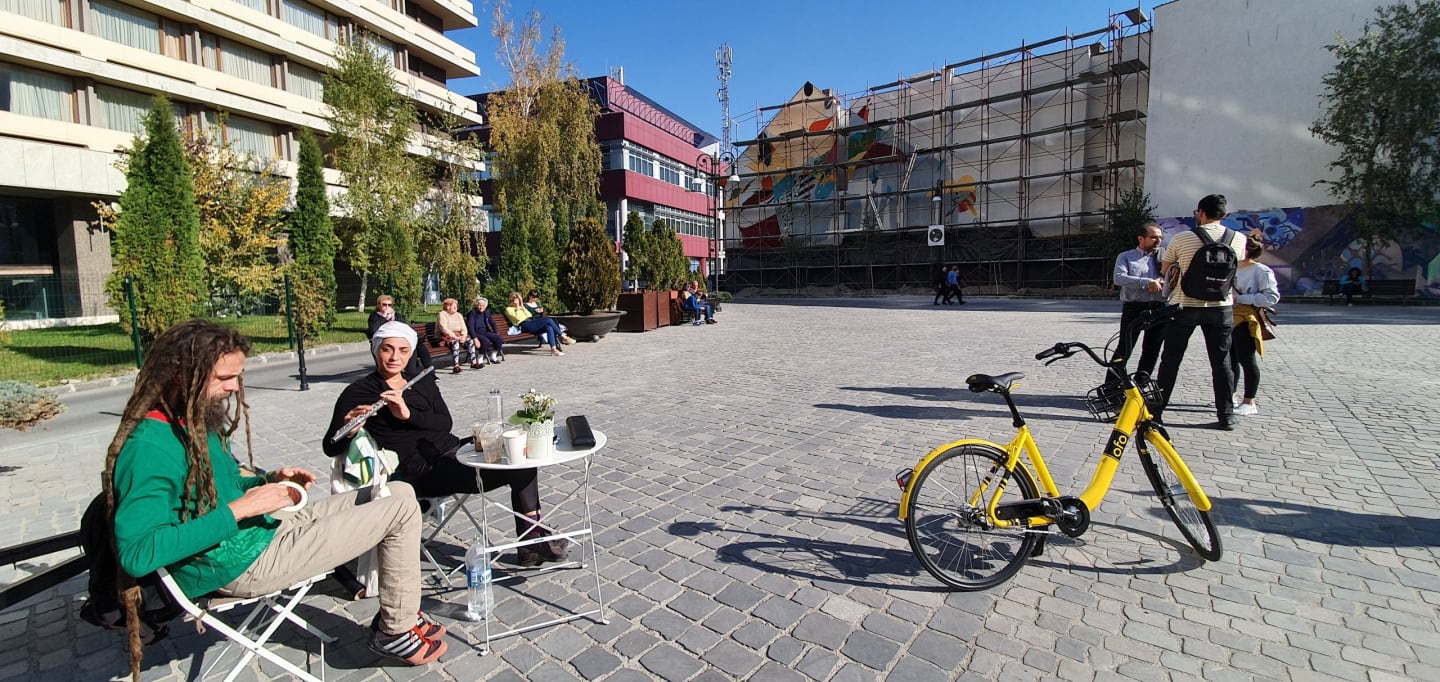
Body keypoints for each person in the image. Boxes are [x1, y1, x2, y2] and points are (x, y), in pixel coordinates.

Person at [106, 320, 446, 676]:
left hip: (262, 531)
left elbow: (214, 489)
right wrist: (242, 508)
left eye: (237, 376)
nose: (234, 387)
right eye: (223, 377)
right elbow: (138, 554)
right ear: (182, 375)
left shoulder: (195, 420)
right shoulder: (149, 446)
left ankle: (402, 609)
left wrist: (266, 481)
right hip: (238, 563)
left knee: (400, 492)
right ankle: (395, 628)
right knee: (399, 512)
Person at [323, 322, 566, 567]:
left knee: (518, 456)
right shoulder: (358, 392)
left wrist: (407, 414)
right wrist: (350, 430)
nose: (395, 357)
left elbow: (444, 423)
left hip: (451, 449)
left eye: (403, 350)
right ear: (376, 350)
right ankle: (532, 539)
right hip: (421, 470)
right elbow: (330, 446)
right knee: (518, 466)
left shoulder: (419, 379)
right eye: (387, 349)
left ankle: (531, 541)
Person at [1154, 194, 1247, 430]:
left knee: (1171, 359)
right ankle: (1226, 415)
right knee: (1222, 362)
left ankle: (1157, 412)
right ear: (1224, 216)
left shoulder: (1182, 238)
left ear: (1200, 213)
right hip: (1221, 307)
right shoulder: (1239, 239)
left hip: (1185, 306)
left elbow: (1165, 269)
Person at [1111, 223, 1169, 382]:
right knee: (1124, 348)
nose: (1158, 240)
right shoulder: (1126, 256)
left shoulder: (1167, 256)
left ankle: (1141, 385)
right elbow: (1119, 278)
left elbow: (1176, 276)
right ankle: (1111, 387)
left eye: (1160, 237)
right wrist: (1146, 282)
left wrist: (1166, 283)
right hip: (1134, 308)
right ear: (1141, 238)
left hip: (1159, 308)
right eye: (1153, 237)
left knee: (1152, 350)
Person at [1231, 239, 1280, 416]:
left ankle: (1249, 401)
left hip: (1246, 319)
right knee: (1229, 360)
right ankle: (1230, 395)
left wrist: (1241, 299)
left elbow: (1271, 297)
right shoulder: (1231, 268)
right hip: (1227, 317)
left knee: (1246, 359)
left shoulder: (1261, 271)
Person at [367, 294, 430, 370]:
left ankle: (429, 372)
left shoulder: (396, 315)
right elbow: (374, 330)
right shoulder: (374, 316)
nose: (387, 307)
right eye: (384, 305)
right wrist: (384, 316)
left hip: (400, 340)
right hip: (385, 341)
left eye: (389, 305)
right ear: (379, 305)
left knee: (420, 347)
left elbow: (406, 327)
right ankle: (410, 372)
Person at [505, 292, 569, 355]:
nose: (518, 302)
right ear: (512, 301)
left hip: (531, 323)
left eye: (519, 300)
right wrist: (517, 307)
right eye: (516, 300)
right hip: (523, 325)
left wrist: (521, 306)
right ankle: (563, 336)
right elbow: (518, 318)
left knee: (548, 327)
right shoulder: (508, 309)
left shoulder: (522, 307)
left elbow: (529, 315)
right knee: (548, 320)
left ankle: (554, 349)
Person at [436, 298, 481, 373]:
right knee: (455, 343)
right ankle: (456, 365)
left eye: (456, 306)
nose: (456, 308)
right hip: (446, 336)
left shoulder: (458, 315)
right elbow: (443, 328)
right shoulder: (442, 314)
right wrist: (455, 337)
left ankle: (474, 362)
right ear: (447, 307)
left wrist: (463, 336)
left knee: (470, 341)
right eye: (454, 306)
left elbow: (464, 327)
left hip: (459, 335)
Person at [465, 296, 505, 364]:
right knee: (485, 341)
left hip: (485, 331)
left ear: (485, 306)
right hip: (476, 332)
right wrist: (474, 338)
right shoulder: (472, 313)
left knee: (499, 338)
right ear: (476, 305)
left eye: (483, 305)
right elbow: (470, 327)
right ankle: (480, 357)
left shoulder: (486, 312)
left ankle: (493, 356)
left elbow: (493, 323)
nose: (481, 307)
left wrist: (496, 333)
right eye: (479, 305)